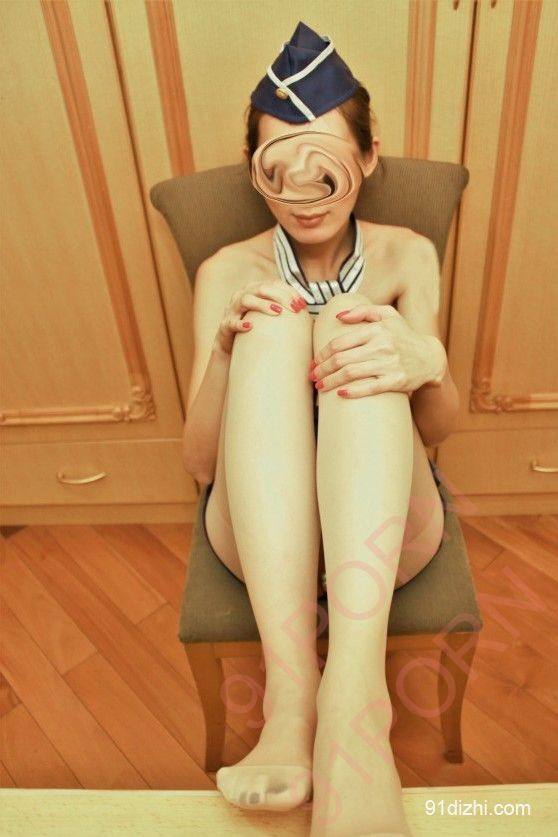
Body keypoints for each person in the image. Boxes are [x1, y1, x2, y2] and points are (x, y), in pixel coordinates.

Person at [182, 21, 459, 837]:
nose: (303, 185)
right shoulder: (229, 271)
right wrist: (227, 350)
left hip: (389, 533)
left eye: (326, 159)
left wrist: (426, 359)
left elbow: (439, 431)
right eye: (280, 166)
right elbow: (199, 462)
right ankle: (291, 700)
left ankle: (356, 707)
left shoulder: (408, 256)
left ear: (366, 157)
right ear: (257, 170)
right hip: (257, 538)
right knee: (274, 317)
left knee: (349, 319)